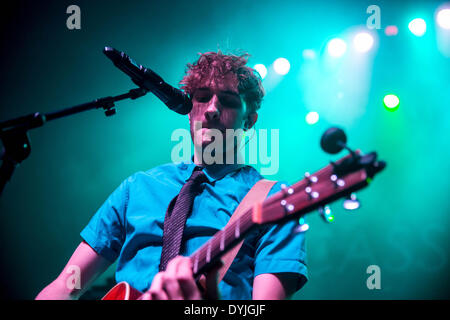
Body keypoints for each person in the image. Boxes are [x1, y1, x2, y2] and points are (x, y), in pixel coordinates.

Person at [35, 51, 308, 300]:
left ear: (249, 121)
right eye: (202, 97)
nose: (211, 109)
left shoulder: (274, 199)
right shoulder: (138, 187)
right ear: (188, 112)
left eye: (227, 101)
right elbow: (63, 287)